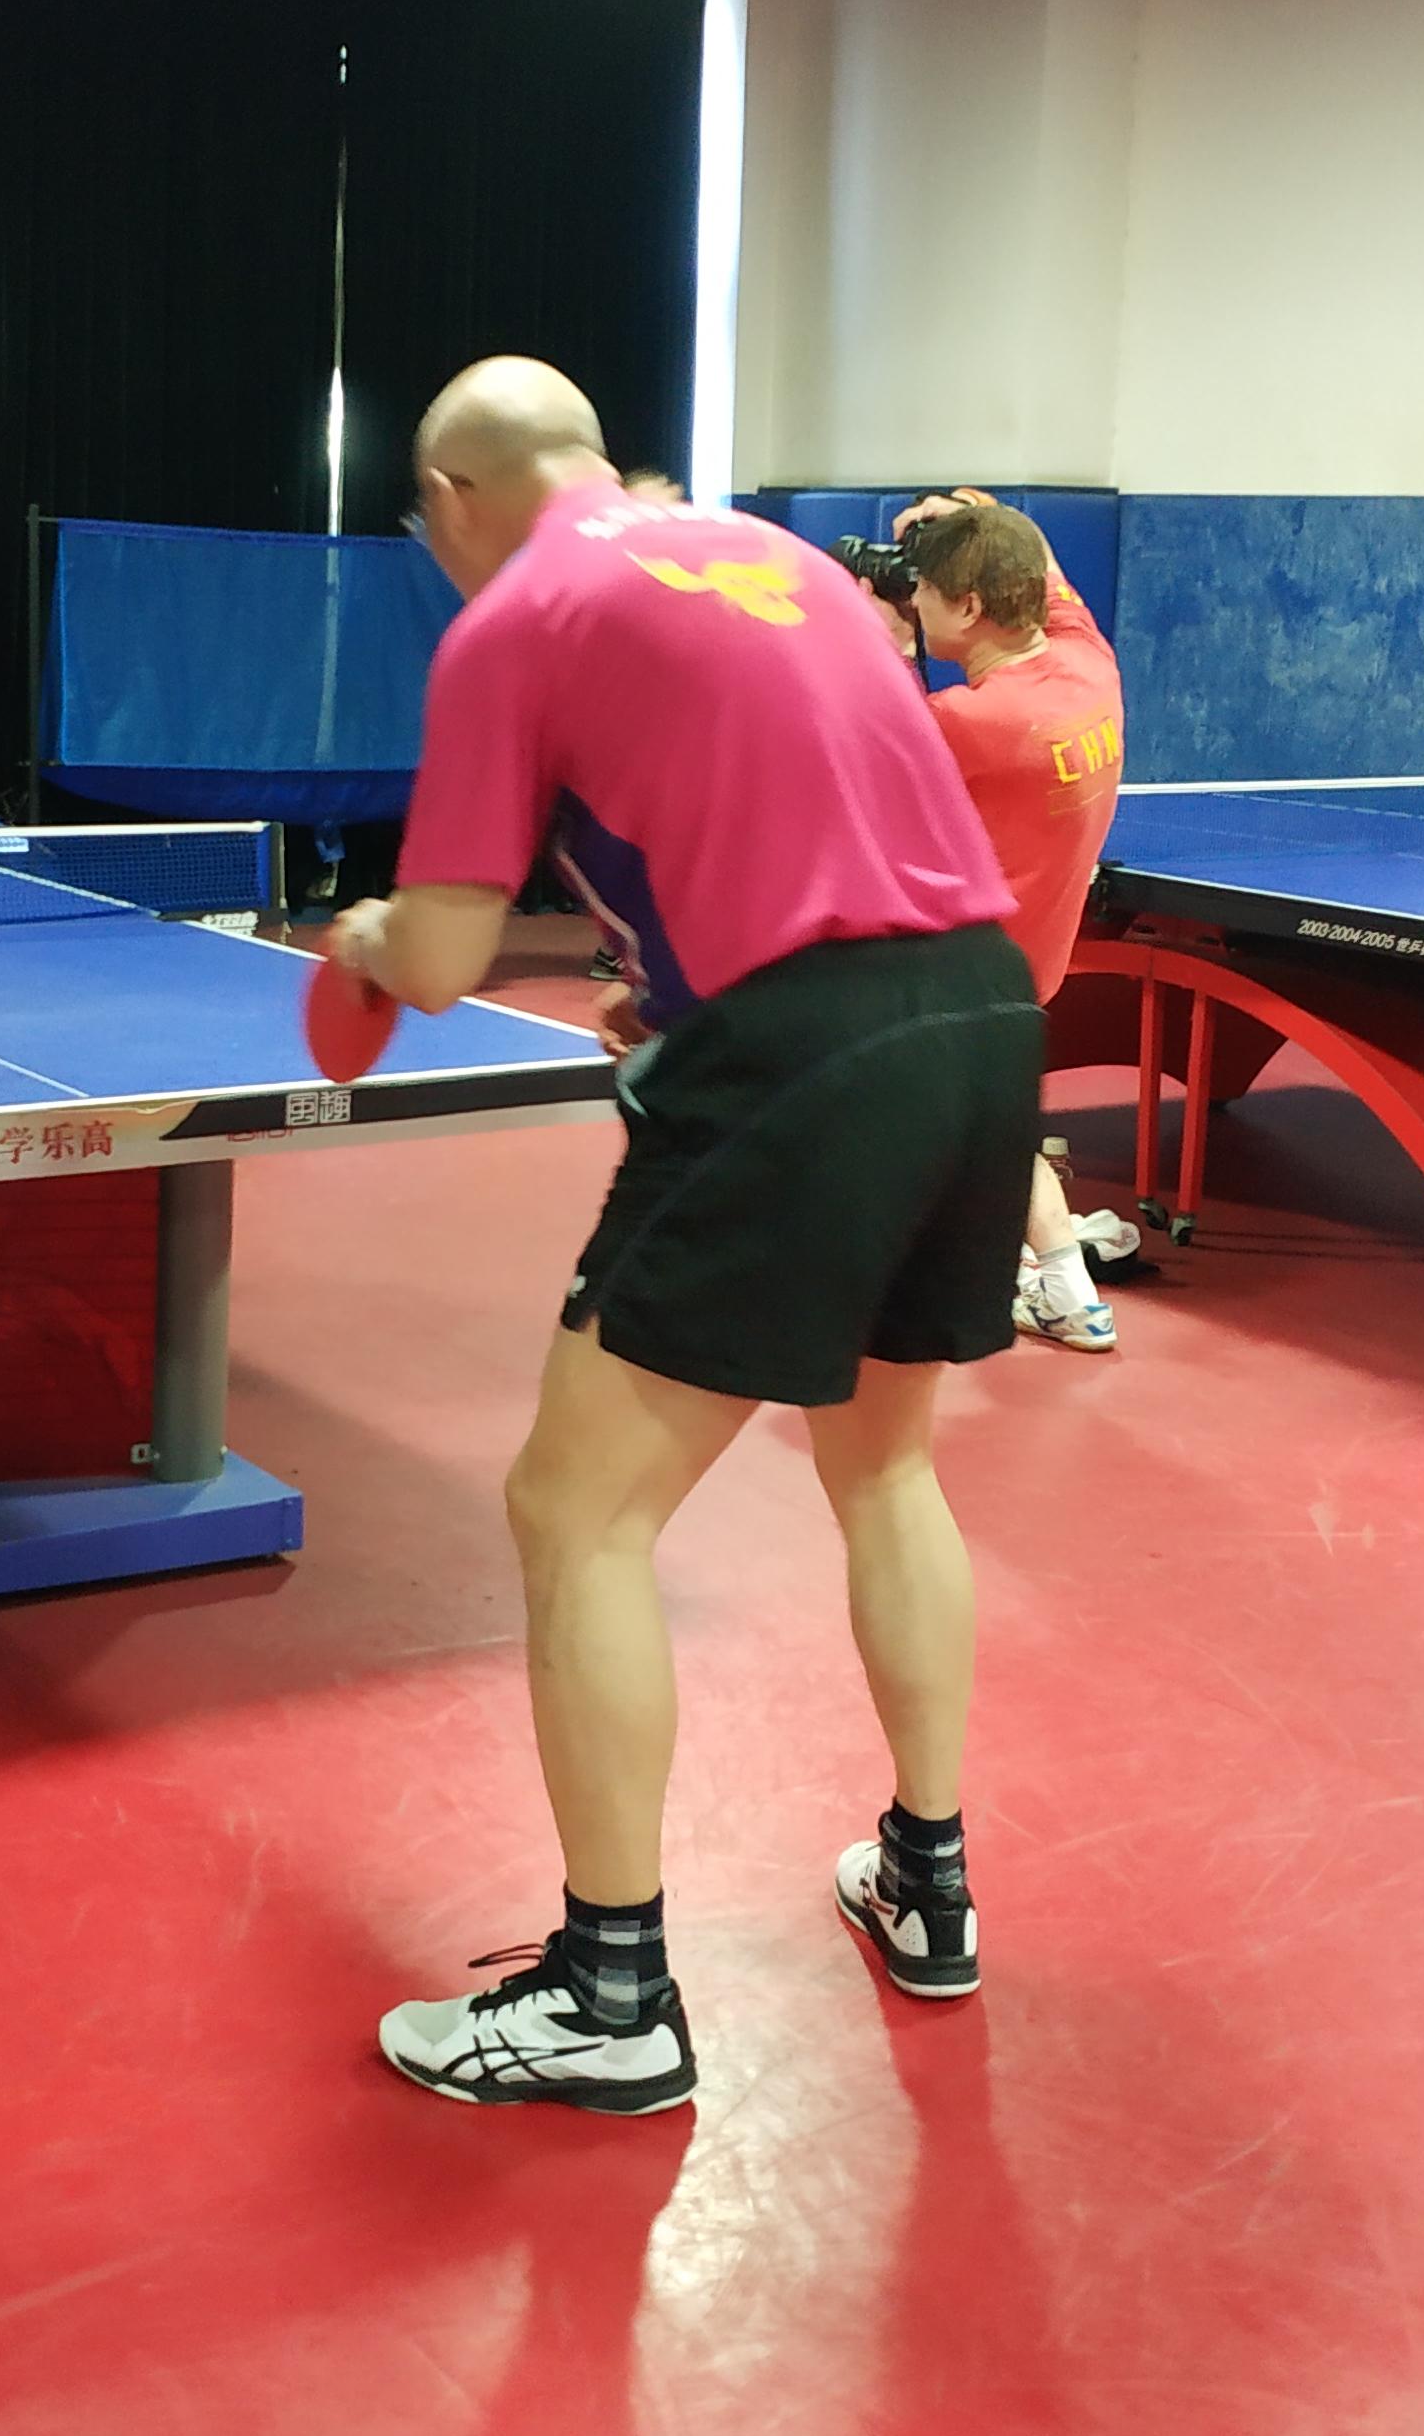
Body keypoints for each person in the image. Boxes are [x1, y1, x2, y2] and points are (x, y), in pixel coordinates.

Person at [336, 358, 1040, 2114]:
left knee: (574, 1511)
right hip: (979, 1016)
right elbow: (819, 808)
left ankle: (612, 1997)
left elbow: (440, 957)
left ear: (455, 498)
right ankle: (929, 1881)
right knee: (884, 1467)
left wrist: (358, 942)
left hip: (804, 1051)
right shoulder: (776, 559)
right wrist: (671, 984)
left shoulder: (512, 616)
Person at [880, 501, 1131, 1349]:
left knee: (976, 1124)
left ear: (971, 606)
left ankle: (1061, 1282)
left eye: (924, 590)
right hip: (1034, 959)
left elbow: (874, 747)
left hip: (961, 972)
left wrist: (891, 643)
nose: (915, 599)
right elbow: (1044, 568)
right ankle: (1037, 1264)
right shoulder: (1089, 663)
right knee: (982, 1118)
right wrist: (986, 514)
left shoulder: (971, 722)